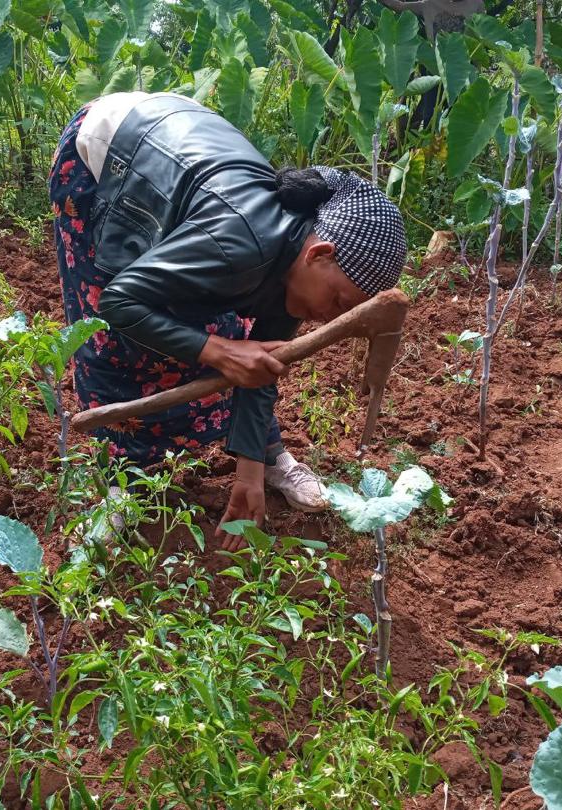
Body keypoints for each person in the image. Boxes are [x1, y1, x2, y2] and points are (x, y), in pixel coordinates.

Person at [49, 91, 407, 549]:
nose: (328, 318)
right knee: (115, 333)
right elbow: (118, 302)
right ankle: (119, 478)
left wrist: (250, 472)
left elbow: (262, 366)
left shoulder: (294, 270)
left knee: (228, 336)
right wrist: (218, 350)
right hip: (102, 153)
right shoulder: (241, 245)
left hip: (180, 156)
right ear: (319, 254)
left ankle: (267, 450)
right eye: (338, 300)